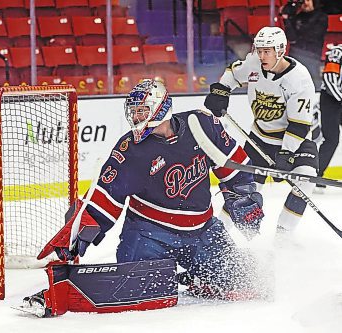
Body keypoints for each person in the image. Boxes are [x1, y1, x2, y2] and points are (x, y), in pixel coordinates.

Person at [24, 79, 267, 316]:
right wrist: (75, 238)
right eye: (134, 111)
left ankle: (194, 276)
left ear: (161, 108)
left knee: (249, 283)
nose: (137, 117)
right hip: (150, 235)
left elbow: (234, 166)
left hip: (202, 232)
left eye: (142, 110)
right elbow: (105, 197)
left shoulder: (201, 124)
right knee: (138, 293)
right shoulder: (129, 150)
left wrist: (243, 200)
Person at [204, 26, 318, 235]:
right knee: (244, 190)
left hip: (295, 140)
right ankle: (220, 236)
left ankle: (284, 236)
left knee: (306, 178)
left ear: (281, 50)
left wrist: (286, 152)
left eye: (268, 51)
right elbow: (233, 72)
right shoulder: (254, 62)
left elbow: (299, 125)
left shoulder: (299, 79)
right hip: (259, 140)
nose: (262, 55)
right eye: (259, 49)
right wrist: (222, 90)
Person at [281, 0, 328, 89]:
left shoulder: (321, 17)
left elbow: (313, 35)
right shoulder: (297, 18)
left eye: (307, 0)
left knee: (312, 84)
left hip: (312, 56)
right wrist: (287, 19)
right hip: (296, 56)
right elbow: (292, 38)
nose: (304, 3)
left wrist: (298, 30)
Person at [317, 44, 342, 190]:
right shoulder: (337, 52)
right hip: (331, 99)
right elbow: (329, 79)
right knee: (332, 139)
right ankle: (317, 174)